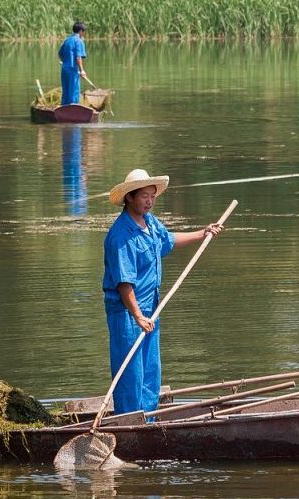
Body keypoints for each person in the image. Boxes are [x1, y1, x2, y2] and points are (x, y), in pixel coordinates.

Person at [102, 169, 223, 415]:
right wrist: (137, 315)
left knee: (150, 369)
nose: (149, 201)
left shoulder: (150, 223)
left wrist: (203, 233)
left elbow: (168, 240)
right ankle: (129, 420)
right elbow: (124, 283)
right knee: (131, 372)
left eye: (152, 196)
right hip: (128, 312)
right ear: (129, 198)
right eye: (144, 196)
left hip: (151, 307)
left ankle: (148, 418)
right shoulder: (120, 236)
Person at [58, 21, 88, 106]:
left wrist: (65, 62)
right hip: (73, 70)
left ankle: (64, 108)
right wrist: (82, 70)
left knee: (66, 91)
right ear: (81, 31)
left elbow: (60, 54)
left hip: (64, 69)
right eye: (84, 31)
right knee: (74, 91)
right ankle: (73, 107)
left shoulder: (67, 40)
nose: (84, 33)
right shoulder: (79, 41)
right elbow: (78, 57)